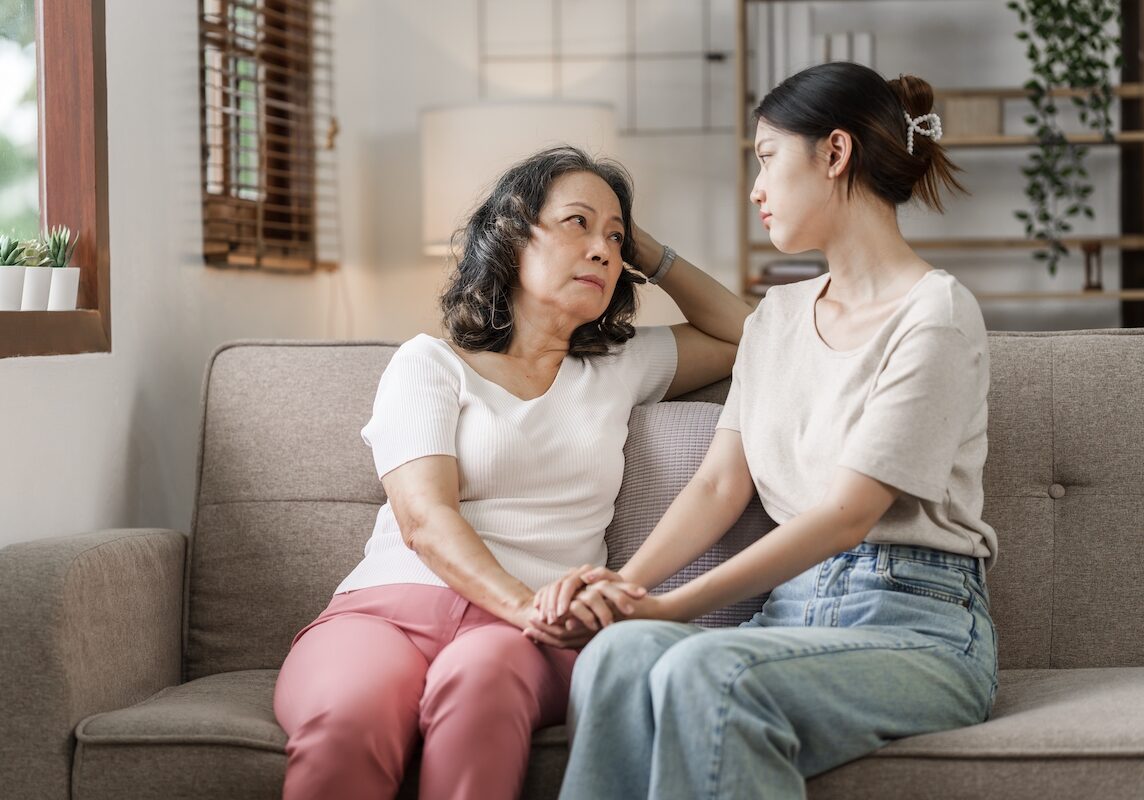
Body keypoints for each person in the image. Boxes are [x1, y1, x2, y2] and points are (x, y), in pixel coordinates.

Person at [552, 62, 999, 800]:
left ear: (833, 153)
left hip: (919, 629)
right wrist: (623, 592)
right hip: (790, 614)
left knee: (705, 668)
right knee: (617, 655)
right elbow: (720, 484)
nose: (756, 189)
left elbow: (849, 513)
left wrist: (672, 606)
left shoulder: (936, 316)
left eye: (765, 159)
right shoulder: (777, 321)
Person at [272, 145, 751, 800]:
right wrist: (520, 604)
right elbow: (424, 518)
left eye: (616, 238)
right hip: (388, 610)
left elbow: (746, 335)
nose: (604, 250)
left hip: (528, 636)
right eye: (577, 223)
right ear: (510, 233)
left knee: (482, 686)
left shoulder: (621, 365)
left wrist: (648, 250)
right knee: (347, 721)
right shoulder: (430, 364)